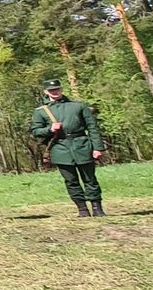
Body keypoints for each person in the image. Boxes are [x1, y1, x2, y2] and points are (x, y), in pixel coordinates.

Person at [29, 78, 106, 217]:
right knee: (71, 181)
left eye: (57, 89)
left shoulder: (78, 106)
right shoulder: (41, 111)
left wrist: (97, 148)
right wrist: (49, 129)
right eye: (52, 90)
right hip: (60, 148)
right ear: (46, 92)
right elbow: (35, 131)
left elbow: (93, 128)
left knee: (90, 179)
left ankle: (97, 208)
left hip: (82, 145)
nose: (55, 92)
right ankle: (82, 209)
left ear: (61, 89)